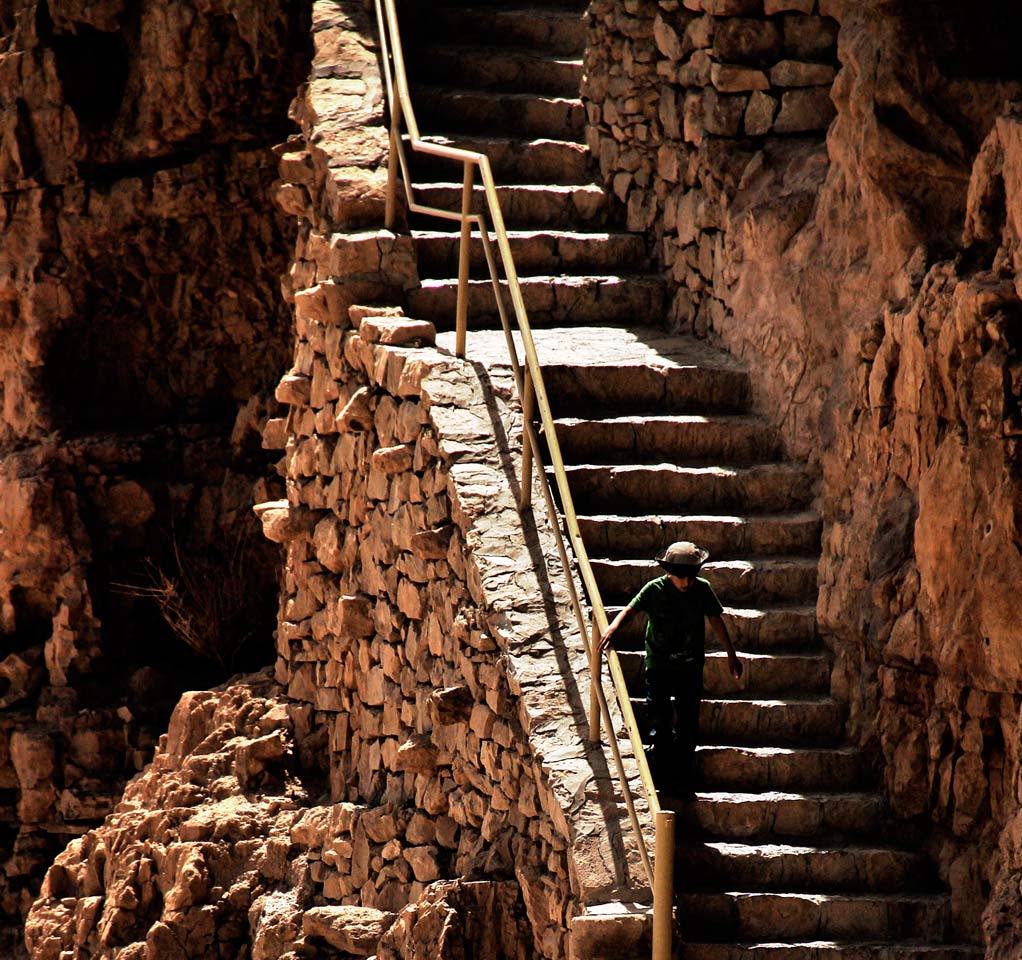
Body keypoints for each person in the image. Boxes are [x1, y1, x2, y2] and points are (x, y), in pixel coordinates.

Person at [598, 540, 743, 798]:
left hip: (690, 667)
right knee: (661, 722)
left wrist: (730, 653)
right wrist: (613, 627)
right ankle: (661, 779)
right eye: (680, 577)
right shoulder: (655, 589)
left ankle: (682, 780)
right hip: (659, 667)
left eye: (690, 577)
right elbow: (632, 610)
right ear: (669, 573)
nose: (685, 582)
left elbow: (715, 619)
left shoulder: (702, 590)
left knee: (687, 726)